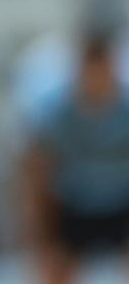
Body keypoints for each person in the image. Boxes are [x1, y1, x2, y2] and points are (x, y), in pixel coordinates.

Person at [22, 28, 129, 284]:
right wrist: (41, 233)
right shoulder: (57, 114)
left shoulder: (125, 110)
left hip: (121, 204)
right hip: (73, 206)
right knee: (54, 265)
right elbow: (37, 169)